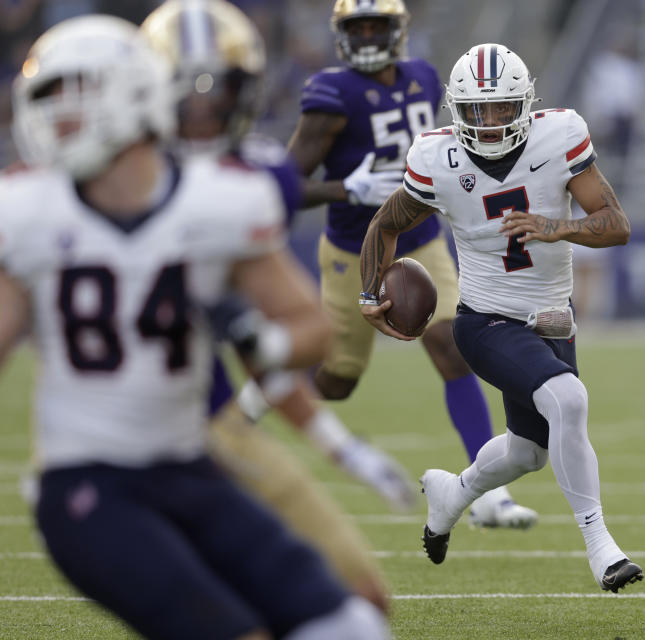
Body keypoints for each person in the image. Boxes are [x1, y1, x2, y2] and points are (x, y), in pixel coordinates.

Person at [0, 15, 389, 639]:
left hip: (190, 466)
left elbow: (311, 328)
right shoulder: (29, 212)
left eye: (75, 100)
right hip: (90, 483)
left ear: (135, 96)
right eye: (49, 102)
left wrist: (263, 343)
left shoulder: (219, 201)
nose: (59, 121)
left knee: (352, 624)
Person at [140, 0, 407, 612]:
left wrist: (341, 446)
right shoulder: (82, 194)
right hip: (117, 450)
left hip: (214, 427)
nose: (202, 112)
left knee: (363, 597)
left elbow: (282, 338)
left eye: (218, 92)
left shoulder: (248, 186)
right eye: (186, 94)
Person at [359, 43, 643, 593]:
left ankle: (454, 493)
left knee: (527, 452)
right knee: (569, 399)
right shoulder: (437, 158)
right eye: (477, 111)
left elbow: (617, 223)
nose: (489, 125)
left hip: (553, 318)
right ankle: (601, 547)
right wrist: (370, 293)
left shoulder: (558, 136)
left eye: (501, 109)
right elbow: (385, 223)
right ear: (456, 111)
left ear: (526, 105)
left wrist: (554, 226)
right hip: (485, 318)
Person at [286, 0, 536, 528]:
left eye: (379, 24)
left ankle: (484, 491)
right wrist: (344, 187)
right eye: (360, 26)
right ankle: (273, 376)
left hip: (420, 239)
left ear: (399, 29)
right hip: (352, 251)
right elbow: (281, 185)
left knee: (449, 346)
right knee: (337, 382)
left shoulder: (424, 77)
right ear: (343, 34)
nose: (370, 34)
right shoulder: (331, 96)